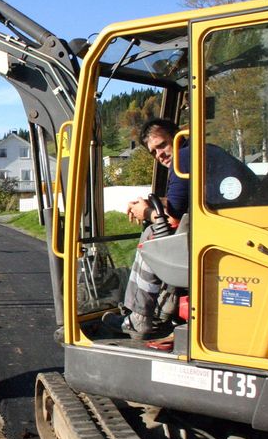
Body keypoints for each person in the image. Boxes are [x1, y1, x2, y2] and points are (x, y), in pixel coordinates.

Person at [103, 119, 259, 339]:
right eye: (154, 152)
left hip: (226, 234)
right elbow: (180, 203)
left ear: (178, 137)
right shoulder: (200, 153)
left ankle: (140, 317)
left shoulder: (184, 158)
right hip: (237, 227)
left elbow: (171, 218)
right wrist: (149, 204)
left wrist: (146, 213)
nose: (160, 155)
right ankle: (162, 310)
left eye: (162, 145)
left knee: (153, 235)